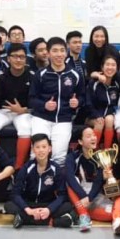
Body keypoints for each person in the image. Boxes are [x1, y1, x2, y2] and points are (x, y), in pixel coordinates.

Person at [29, 37, 84, 166]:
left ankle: (56, 184)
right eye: (55, 51)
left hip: (64, 120)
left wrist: (77, 102)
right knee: (37, 154)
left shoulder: (75, 75)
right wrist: (44, 105)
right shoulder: (41, 74)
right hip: (41, 119)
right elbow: (31, 99)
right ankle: (33, 183)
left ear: (66, 52)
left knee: (59, 157)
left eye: (62, 50)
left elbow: (83, 97)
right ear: (48, 53)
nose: (59, 54)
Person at [6, 133, 75, 228]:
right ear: (33, 149)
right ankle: (51, 222)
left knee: (67, 206)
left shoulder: (56, 169)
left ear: (49, 148)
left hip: (47, 205)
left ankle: (24, 219)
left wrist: (49, 210)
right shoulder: (26, 168)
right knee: (9, 205)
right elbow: (15, 194)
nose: (41, 150)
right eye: (37, 147)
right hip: (29, 204)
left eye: (44, 147)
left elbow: (62, 195)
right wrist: (28, 210)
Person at [0, 43, 34, 169]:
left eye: (22, 57)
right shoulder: (1, 76)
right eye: (15, 56)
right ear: (8, 58)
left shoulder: (33, 76)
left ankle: (18, 167)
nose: (18, 60)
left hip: (24, 112)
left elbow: (35, 101)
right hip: (4, 111)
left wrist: (23, 110)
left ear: (26, 59)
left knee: (25, 129)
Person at [64, 126, 112, 232]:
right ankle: (83, 214)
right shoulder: (72, 157)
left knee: (111, 214)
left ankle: (79, 211)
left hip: (94, 196)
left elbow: (99, 181)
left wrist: (89, 198)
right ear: (80, 141)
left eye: (94, 135)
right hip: (77, 195)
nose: (93, 138)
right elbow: (70, 178)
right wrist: (83, 196)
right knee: (68, 182)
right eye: (89, 136)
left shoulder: (101, 156)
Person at [86, 55, 120, 149]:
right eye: (107, 64)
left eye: (113, 65)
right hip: (92, 116)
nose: (110, 67)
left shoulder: (116, 84)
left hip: (108, 115)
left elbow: (115, 104)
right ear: (102, 67)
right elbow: (88, 103)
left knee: (109, 120)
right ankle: (92, 152)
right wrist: (97, 115)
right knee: (100, 123)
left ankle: (106, 152)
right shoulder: (94, 83)